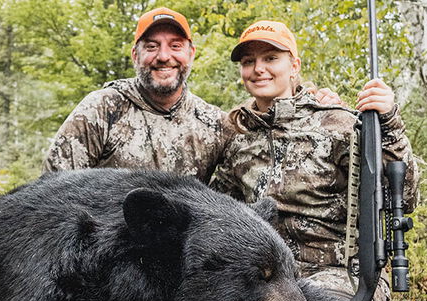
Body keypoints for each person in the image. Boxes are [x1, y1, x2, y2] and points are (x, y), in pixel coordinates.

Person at [209, 20, 419, 301]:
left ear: (294, 66)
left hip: (337, 275)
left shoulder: (337, 124)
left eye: (270, 58)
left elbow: (404, 196)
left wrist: (390, 122)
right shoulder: (238, 136)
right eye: (248, 61)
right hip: (265, 272)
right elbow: (220, 210)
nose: (258, 69)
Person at [44, 8, 342, 182]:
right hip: (104, 264)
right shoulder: (101, 110)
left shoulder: (215, 124)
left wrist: (313, 105)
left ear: (190, 53)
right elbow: (53, 192)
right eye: (151, 46)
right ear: (135, 54)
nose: (164, 56)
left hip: (181, 270)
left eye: (175, 46)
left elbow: (265, 139)